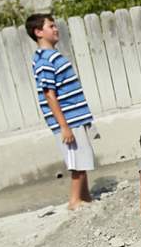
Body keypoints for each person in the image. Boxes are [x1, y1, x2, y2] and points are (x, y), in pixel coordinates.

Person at [26, 13, 95, 210]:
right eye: (51, 26)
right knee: (76, 162)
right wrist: (64, 126)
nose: (56, 29)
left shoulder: (52, 56)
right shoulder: (44, 59)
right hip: (68, 119)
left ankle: (86, 197)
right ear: (38, 32)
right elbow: (49, 94)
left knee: (83, 157)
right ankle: (74, 201)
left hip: (75, 116)